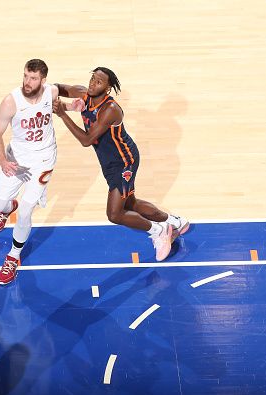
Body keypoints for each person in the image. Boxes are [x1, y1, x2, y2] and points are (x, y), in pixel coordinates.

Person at [53, 67, 189, 261]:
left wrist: (63, 114)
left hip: (124, 161)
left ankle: (158, 230)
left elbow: (87, 140)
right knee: (130, 202)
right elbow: (59, 88)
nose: (93, 83)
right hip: (109, 162)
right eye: (93, 78)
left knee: (115, 214)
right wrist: (41, 89)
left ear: (107, 88)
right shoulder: (84, 94)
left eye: (99, 82)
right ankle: (174, 222)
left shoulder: (110, 110)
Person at [0, 59, 79, 285]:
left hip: (44, 159)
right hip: (15, 160)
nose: (28, 82)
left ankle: (13, 256)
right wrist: (3, 161)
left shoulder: (52, 92)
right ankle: (8, 208)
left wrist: (72, 106)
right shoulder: (11, 102)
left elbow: (55, 107)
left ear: (43, 80)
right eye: (26, 76)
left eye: (33, 78)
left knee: (27, 210)